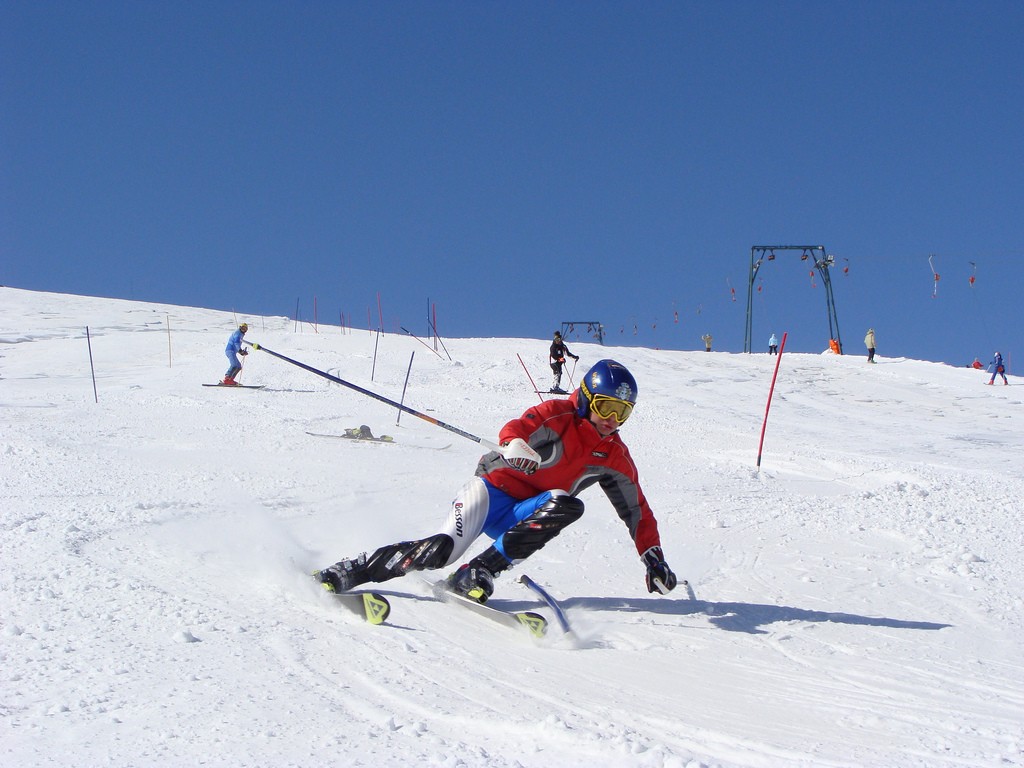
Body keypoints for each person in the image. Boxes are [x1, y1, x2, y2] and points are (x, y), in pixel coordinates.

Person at [314, 359, 679, 602]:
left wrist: (653, 556)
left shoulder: (613, 454)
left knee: (567, 504)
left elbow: (637, 509)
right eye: (605, 407)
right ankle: (352, 570)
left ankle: (478, 572)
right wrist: (515, 443)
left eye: (622, 413)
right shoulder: (559, 415)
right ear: (586, 399)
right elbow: (522, 425)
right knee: (441, 551)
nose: (612, 420)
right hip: (491, 491)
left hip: (524, 513)